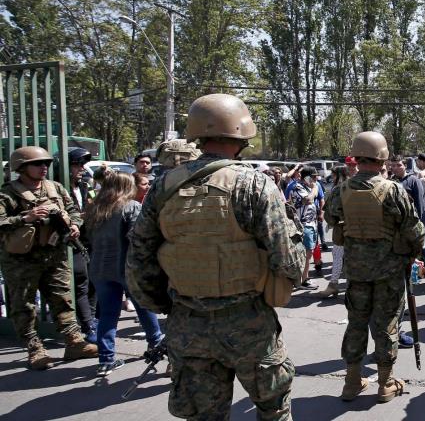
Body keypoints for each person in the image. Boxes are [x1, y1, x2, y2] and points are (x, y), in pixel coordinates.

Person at [127, 93, 303, 420]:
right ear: (241, 133)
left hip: (187, 323)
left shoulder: (164, 186)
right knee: (274, 411)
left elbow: (139, 260)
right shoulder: (254, 184)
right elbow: (288, 261)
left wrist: (171, 305)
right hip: (249, 323)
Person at [323, 131, 425, 403]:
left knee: (356, 323)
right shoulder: (393, 190)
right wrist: (413, 254)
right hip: (388, 272)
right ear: (382, 158)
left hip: (356, 272)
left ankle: (352, 382)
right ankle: (386, 383)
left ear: (357, 157)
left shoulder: (341, 190)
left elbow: (330, 218)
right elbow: (414, 230)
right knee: (386, 324)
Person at [0, 146, 97, 370]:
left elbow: (73, 210)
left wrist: (74, 225)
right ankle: (34, 348)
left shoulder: (55, 188)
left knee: (63, 298)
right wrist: (25, 218)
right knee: (23, 305)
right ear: (21, 168)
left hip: (54, 254)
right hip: (21, 260)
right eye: (37, 164)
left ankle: (74, 342)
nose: (43, 167)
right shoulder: (8, 193)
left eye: (46, 163)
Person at [84, 171, 163, 376]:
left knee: (107, 314)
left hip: (99, 268)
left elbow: (86, 238)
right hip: (125, 267)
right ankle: (156, 344)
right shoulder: (131, 206)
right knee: (144, 307)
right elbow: (138, 237)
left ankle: (105, 360)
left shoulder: (95, 209)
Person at [59, 146, 98, 343]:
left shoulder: (85, 186)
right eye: (77, 165)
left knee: (94, 280)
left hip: (89, 239)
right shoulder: (59, 188)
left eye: (83, 165)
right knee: (80, 281)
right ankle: (87, 324)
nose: (82, 168)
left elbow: (94, 204)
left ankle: (92, 319)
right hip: (71, 242)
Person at [319, 165, 350, 298]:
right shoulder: (351, 186)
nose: (332, 177)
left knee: (337, 256)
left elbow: (332, 210)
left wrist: (332, 220)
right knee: (345, 256)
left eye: (333, 175)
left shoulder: (340, 188)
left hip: (341, 227)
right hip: (350, 227)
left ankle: (333, 284)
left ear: (339, 175)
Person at [290, 166, 322, 286]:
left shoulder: (307, 187)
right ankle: (303, 280)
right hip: (304, 225)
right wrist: (315, 188)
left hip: (311, 224)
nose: (316, 180)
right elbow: (308, 200)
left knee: (309, 252)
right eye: (313, 177)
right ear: (307, 177)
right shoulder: (298, 187)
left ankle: (304, 278)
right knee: (306, 253)